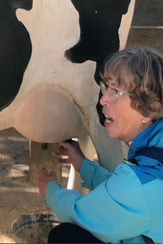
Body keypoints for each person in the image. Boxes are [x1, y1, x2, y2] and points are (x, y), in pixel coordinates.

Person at [37, 47, 163, 243]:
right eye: (107, 88)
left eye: (116, 92)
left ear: (148, 108)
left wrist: (51, 190)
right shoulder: (154, 154)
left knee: (65, 236)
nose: (103, 99)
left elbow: (81, 214)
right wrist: (83, 166)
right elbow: (120, 194)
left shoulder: (141, 182)